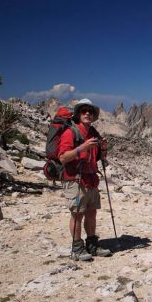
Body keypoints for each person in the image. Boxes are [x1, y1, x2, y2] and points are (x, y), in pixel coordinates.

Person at [58, 98, 112, 261]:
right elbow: (62, 157)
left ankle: (92, 245)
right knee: (77, 215)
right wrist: (82, 147)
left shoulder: (93, 133)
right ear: (78, 114)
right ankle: (77, 248)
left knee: (91, 213)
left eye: (90, 111)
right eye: (84, 111)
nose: (87, 113)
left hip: (91, 179)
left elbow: (99, 158)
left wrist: (103, 150)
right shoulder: (71, 132)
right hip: (75, 180)